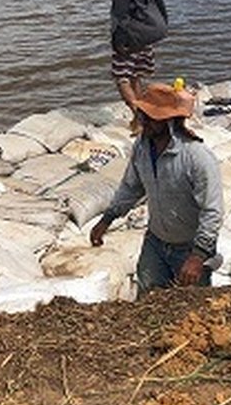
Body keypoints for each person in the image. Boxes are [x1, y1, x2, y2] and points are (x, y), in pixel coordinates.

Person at [89, 84, 223, 296]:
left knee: (193, 309)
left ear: (169, 121)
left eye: (152, 118)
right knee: (148, 301)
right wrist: (107, 219)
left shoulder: (196, 156)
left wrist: (198, 256)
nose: (145, 123)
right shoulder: (142, 147)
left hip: (189, 249)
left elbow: (212, 211)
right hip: (156, 243)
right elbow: (131, 187)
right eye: (143, 116)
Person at [107, 0, 180, 112]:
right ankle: (144, 112)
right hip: (151, 32)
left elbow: (121, 5)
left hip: (132, 32)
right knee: (136, 74)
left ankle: (138, 117)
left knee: (121, 76)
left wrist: (118, 37)